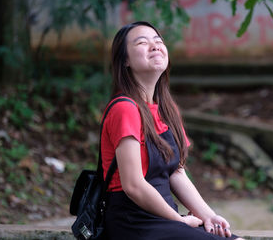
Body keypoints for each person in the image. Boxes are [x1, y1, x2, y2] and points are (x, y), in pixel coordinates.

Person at [101, 21, 242, 240]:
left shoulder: (167, 109)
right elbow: (134, 186)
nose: (155, 46)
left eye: (158, 41)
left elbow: (177, 172)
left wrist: (208, 215)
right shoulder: (124, 109)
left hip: (164, 217)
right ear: (125, 60)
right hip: (133, 222)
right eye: (142, 42)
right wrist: (179, 221)